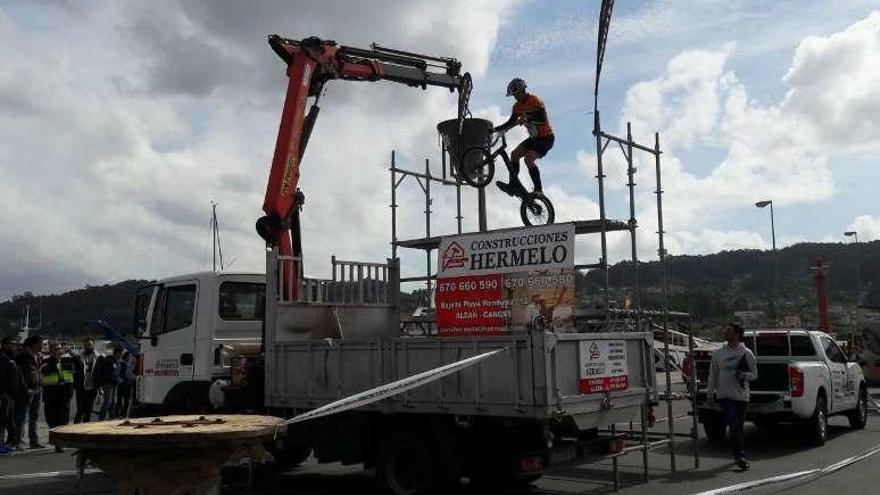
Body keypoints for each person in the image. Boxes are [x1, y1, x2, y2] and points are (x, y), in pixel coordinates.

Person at [707, 322, 758, 470]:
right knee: (734, 425)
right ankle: (740, 456)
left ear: (737, 334)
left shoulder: (746, 353)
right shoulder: (718, 353)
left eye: (729, 330)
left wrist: (744, 375)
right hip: (725, 396)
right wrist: (711, 395)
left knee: (739, 428)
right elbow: (713, 375)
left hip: (741, 396)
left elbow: (755, 374)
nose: (725, 332)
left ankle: (738, 453)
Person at [493, 78, 555, 198]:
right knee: (514, 155)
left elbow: (542, 119)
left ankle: (539, 190)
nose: (514, 97)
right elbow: (510, 123)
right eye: (513, 96)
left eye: (515, 94)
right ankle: (513, 185)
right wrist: (495, 129)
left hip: (546, 138)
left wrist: (527, 118)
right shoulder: (516, 107)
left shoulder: (535, 100)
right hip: (534, 139)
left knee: (528, 159)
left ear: (522, 90)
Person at [41, 342, 74, 453]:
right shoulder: (46, 361)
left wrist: (70, 393)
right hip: (51, 394)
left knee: (63, 419)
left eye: (59, 349)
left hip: (64, 395)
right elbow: (44, 371)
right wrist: (55, 361)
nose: (57, 351)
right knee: (51, 419)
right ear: (50, 351)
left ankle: (60, 442)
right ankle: (55, 441)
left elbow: (71, 377)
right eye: (54, 349)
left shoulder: (67, 361)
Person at [13, 335, 44, 450]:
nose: (42, 345)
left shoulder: (37, 355)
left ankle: (34, 441)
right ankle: (18, 441)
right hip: (27, 389)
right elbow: (20, 375)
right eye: (40, 343)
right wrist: (26, 389)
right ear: (35, 344)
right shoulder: (23, 356)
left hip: (37, 387)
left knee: (34, 416)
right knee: (22, 416)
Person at [0, 337, 23, 455]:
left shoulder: (11, 358)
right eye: (11, 344)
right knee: (2, 421)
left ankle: (3, 444)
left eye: (14, 344)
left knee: (8, 420)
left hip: (12, 395)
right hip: (5, 395)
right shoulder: (2, 358)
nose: (13, 346)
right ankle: (0, 445)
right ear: (4, 345)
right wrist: (4, 393)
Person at [73, 338, 100, 423]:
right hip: (81, 388)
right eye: (86, 344)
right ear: (84, 346)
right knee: (80, 411)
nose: (88, 346)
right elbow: (74, 373)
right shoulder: (77, 358)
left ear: (93, 346)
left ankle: (84, 430)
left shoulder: (98, 358)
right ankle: (75, 430)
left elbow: (101, 373)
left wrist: (99, 387)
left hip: (92, 389)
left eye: (90, 344)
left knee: (88, 411)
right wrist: (76, 386)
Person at [97, 347, 123, 420]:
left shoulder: (115, 361)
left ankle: (112, 418)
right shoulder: (111, 361)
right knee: (107, 402)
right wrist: (121, 380)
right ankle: (101, 419)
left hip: (114, 384)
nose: (121, 355)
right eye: (120, 353)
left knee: (112, 402)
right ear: (117, 353)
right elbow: (112, 374)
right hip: (108, 384)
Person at [115, 351, 136, 419]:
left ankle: (124, 415)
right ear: (125, 356)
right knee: (119, 401)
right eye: (128, 356)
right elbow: (116, 374)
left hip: (128, 385)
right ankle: (117, 415)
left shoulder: (129, 364)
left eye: (130, 356)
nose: (129, 358)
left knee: (126, 401)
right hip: (122, 385)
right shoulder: (120, 363)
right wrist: (120, 381)